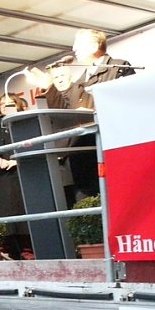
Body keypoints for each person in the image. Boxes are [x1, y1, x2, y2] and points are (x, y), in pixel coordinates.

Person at [39, 29, 136, 200]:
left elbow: (128, 105)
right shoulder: (78, 84)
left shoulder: (118, 68)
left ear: (94, 46)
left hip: (109, 153)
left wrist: (94, 112)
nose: (74, 48)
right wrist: (49, 88)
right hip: (84, 158)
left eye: (78, 44)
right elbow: (62, 114)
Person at [0, 94, 32, 259]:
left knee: (22, 211)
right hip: (0, 175)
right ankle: (8, 250)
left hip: (21, 172)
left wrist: (16, 161)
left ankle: (27, 249)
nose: (5, 106)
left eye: (9, 103)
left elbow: (31, 144)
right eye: (2, 104)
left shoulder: (24, 122)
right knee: (4, 213)